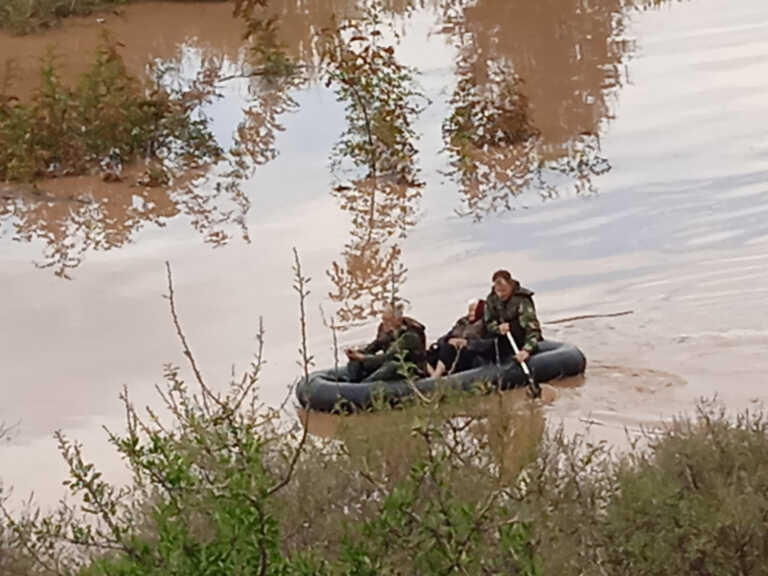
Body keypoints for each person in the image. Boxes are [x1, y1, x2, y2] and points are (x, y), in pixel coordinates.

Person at [345, 303, 427, 382]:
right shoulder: (384, 329)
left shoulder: (410, 335)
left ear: (398, 320)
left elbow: (388, 356)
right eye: (383, 319)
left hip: (408, 369)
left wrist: (362, 357)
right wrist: (356, 354)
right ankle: (352, 381)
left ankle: (363, 386)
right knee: (357, 360)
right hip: (386, 363)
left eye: (388, 320)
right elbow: (374, 346)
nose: (384, 324)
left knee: (393, 366)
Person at [483, 269, 542, 365]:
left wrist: (526, 350)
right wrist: (498, 328)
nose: (500, 294)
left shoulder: (522, 299)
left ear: (510, 285)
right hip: (502, 340)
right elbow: (488, 322)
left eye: (504, 290)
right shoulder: (491, 300)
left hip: (520, 338)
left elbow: (532, 330)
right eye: (498, 291)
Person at [426, 299, 493, 378]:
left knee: (448, 349)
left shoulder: (486, 325)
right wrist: (449, 340)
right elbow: (444, 337)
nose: (470, 313)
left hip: (469, 354)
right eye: (469, 310)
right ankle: (430, 375)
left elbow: (488, 344)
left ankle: (436, 376)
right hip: (451, 351)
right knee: (432, 352)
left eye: (473, 310)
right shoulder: (462, 323)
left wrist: (466, 343)